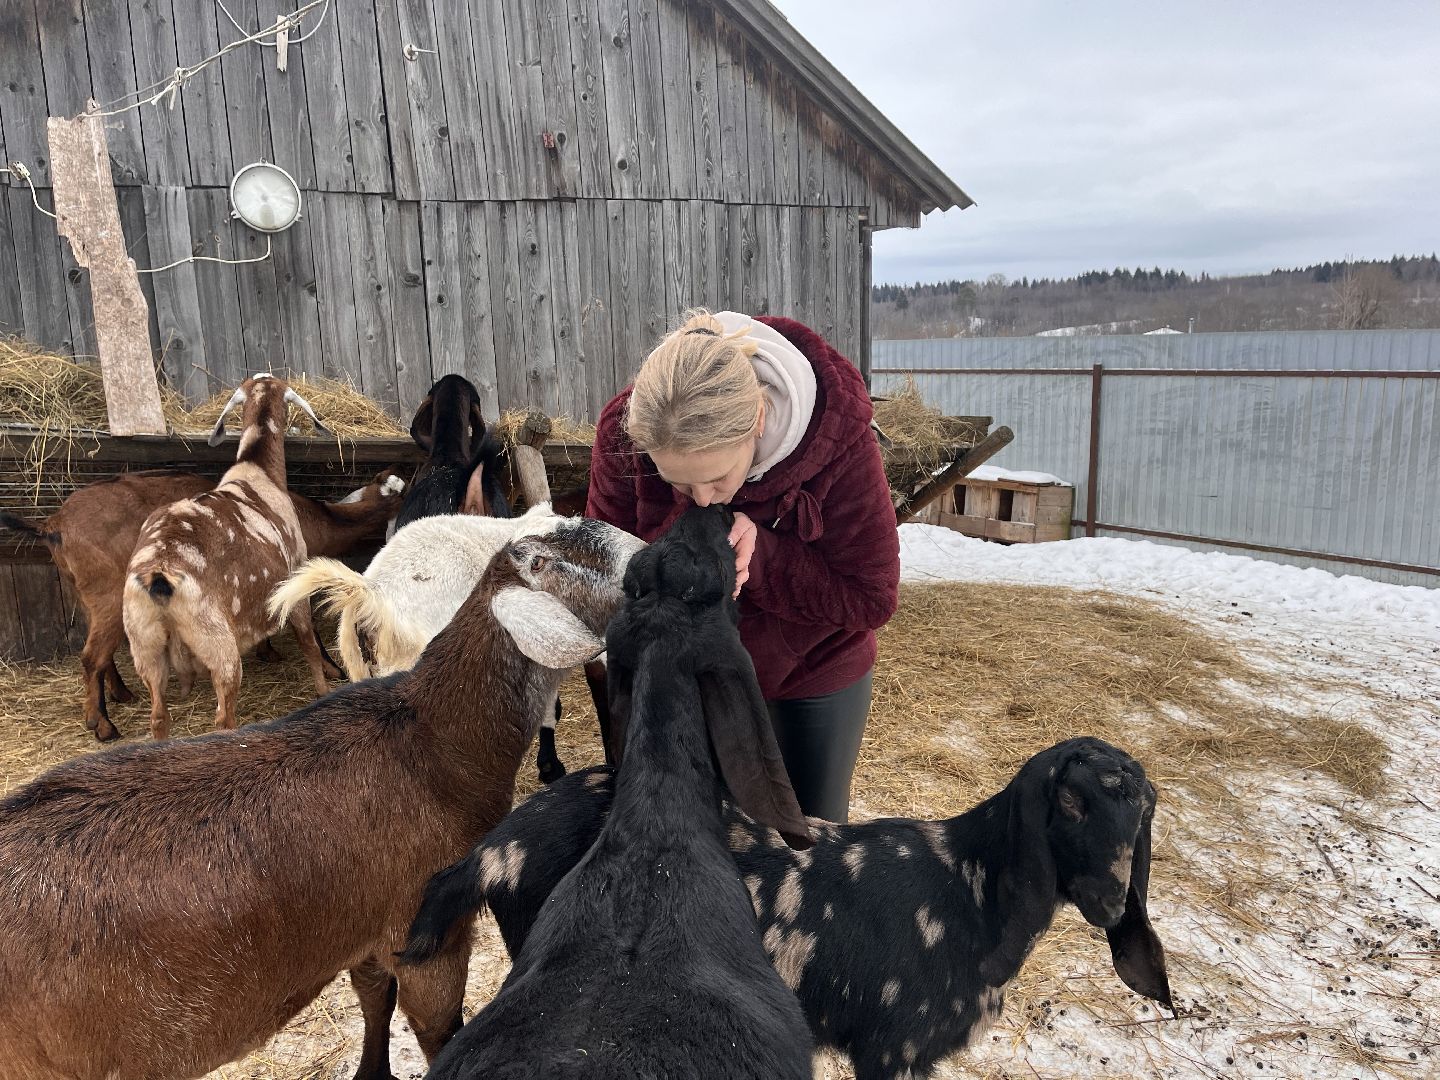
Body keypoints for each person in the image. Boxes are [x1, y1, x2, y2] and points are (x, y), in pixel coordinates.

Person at [586, 309, 900, 822]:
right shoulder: (626, 432)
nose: (702, 499)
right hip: (687, 675)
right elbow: (607, 566)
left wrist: (766, 558)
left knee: (808, 838)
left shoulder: (837, 436)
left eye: (718, 478)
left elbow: (872, 597)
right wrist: (685, 552)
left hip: (813, 673)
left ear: (758, 419)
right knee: (701, 839)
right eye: (677, 483)